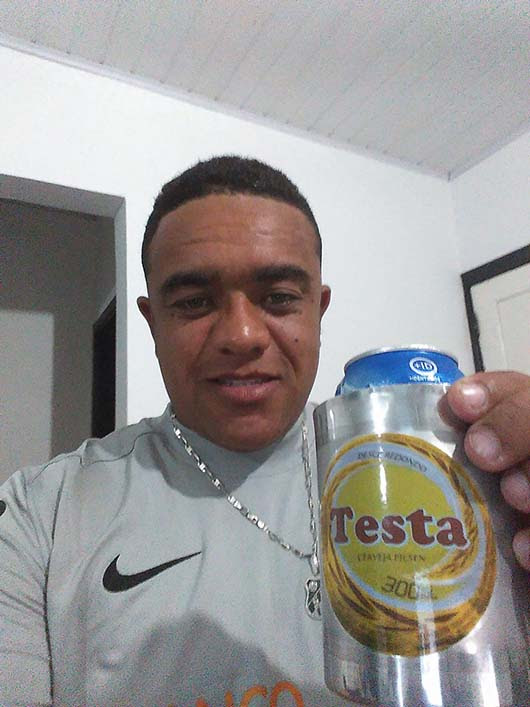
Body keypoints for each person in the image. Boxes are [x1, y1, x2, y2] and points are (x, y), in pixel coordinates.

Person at [0, 156, 528, 707]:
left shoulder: (451, 475)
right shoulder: (42, 513)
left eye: (278, 298)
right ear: (153, 323)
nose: (244, 335)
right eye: (195, 302)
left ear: (317, 310)